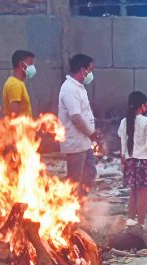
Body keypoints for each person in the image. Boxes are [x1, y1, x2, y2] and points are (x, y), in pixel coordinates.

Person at [118, 91, 147, 226]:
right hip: (143, 162)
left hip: (129, 161)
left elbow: (122, 144)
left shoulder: (123, 122)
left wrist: (123, 162)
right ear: (143, 106)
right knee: (143, 194)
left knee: (133, 192)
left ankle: (131, 220)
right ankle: (141, 224)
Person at [58, 54, 100, 197]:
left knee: (90, 174)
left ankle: (79, 205)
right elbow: (76, 116)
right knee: (73, 180)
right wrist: (91, 133)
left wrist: (92, 132)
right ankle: (67, 210)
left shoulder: (79, 87)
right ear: (83, 70)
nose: (91, 73)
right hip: (75, 142)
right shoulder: (69, 89)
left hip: (84, 142)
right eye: (90, 69)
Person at [2, 50, 36, 118]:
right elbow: (15, 117)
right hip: (20, 128)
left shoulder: (18, 83)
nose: (33, 67)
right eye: (30, 64)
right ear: (22, 64)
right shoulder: (15, 84)